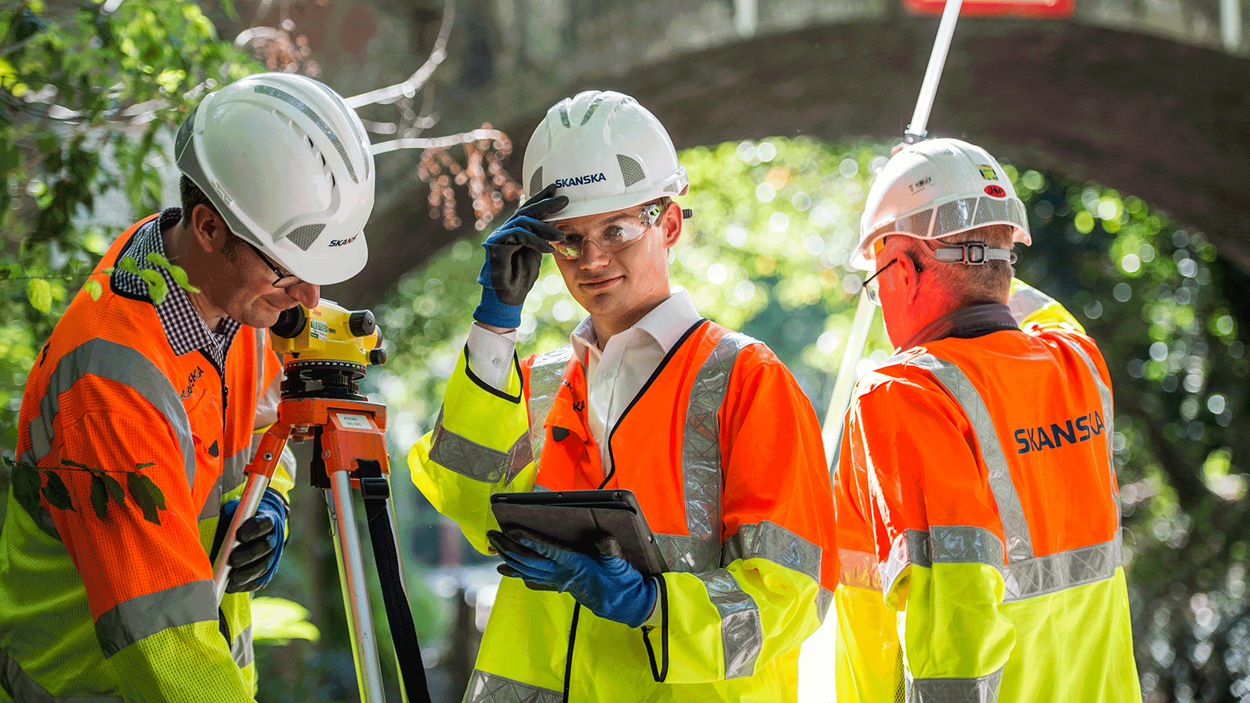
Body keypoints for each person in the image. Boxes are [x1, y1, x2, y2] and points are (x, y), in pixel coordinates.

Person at [409, 90, 838, 702]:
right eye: (569, 238)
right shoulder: (533, 380)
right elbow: (464, 495)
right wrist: (494, 324)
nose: (593, 258)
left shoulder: (746, 380)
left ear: (668, 224)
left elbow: (792, 589)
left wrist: (650, 605)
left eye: (616, 228)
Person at [0, 72, 375, 700]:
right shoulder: (108, 385)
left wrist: (270, 499)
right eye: (289, 272)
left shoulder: (225, 290)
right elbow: (163, 639)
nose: (308, 300)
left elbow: (260, 420)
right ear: (208, 228)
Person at [831, 137, 1141, 702]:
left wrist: (939, 219)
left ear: (900, 270)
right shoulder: (1077, 364)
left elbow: (956, 623)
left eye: (876, 284)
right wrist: (965, 230)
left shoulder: (904, 392)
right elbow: (1026, 304)